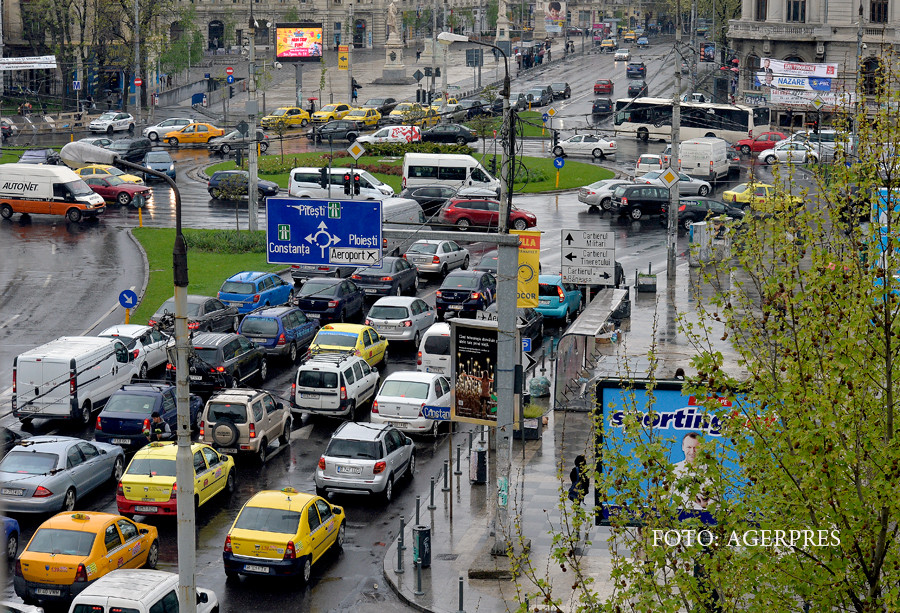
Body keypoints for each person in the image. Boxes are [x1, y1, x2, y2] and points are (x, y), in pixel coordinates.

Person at [671, 432, 711, 510]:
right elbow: (663, 498)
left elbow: (717, 504)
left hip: (704, 519)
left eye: (696, 447)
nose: (692, 452)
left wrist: (706, 505)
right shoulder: (674, 469)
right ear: (683, 447)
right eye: (689, 447)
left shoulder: (711, 471)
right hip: (678, 519)